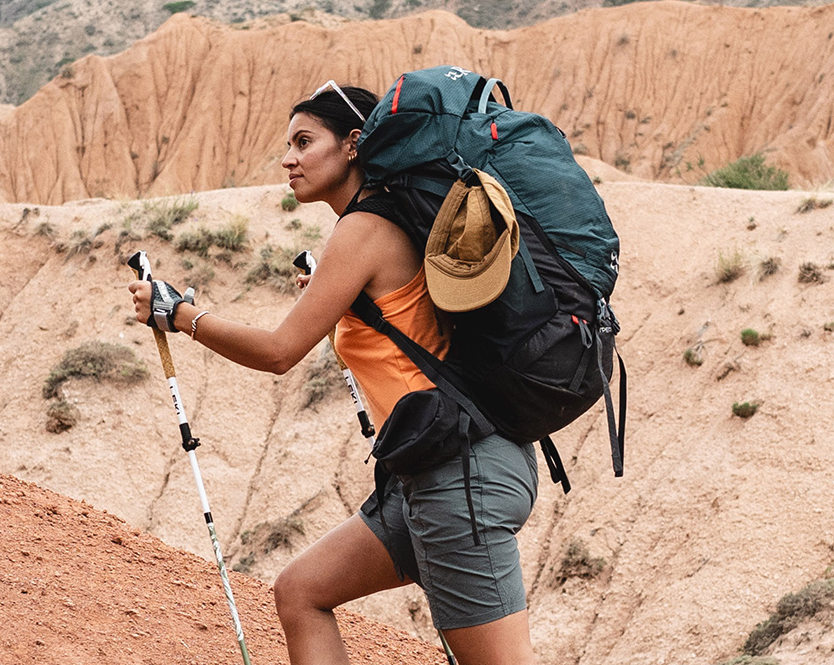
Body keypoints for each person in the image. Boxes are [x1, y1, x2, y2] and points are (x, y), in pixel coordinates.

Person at [129, 81, 539, 665]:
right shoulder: (386, 223)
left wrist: (180, 315)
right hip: (434, 474)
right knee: (302, 591)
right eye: (287, 144)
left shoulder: (364, 229)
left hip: (461, 478)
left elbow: (278, 351)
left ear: (352, 144)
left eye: (304, 141)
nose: (287, 158)